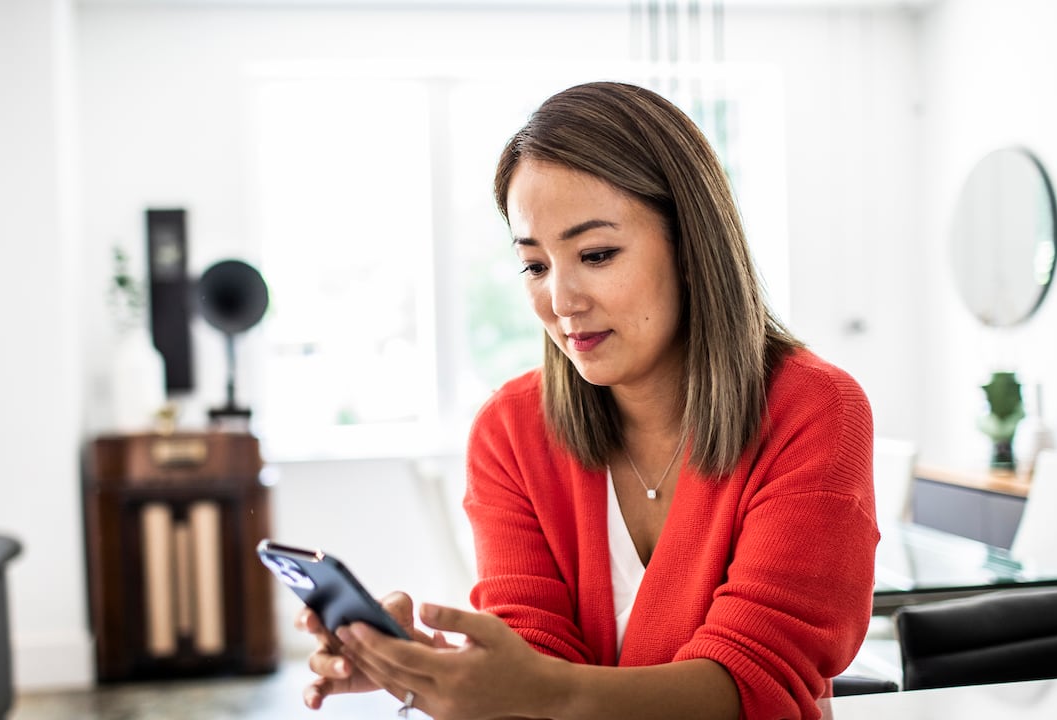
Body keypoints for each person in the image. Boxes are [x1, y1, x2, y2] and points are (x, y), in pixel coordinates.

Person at [295, 80, 878, 720]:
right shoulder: (510, 430)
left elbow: (758, 683)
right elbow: (532, 655)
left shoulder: (814, 410)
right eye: (535, 265)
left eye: (596, 254)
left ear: (691, 248)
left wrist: (541, 692)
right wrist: (428, 670)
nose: (562, 301)